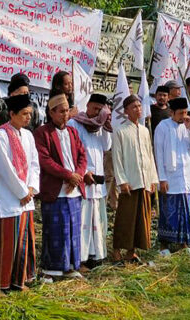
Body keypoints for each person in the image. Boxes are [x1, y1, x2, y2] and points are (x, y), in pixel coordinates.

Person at [0, 94, 40, 296]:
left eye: (30, 114)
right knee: (4, 244)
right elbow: (4, 168)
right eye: (24, 114)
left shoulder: (28, 136)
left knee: (23, 242)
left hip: (26, 199)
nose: (28, 118)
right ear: (12, 114)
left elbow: (34, 164)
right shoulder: (1, 136)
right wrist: (21, 191)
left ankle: (18, 282)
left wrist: (31, 188)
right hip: (8, 199)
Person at [35, 94, 87, 280]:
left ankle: (71, 266)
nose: (66, 115)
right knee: (56, 230)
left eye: (67, 111)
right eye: (62, 111)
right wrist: (68, 175)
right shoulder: (42, 133)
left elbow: (82, 155)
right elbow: (45, 161)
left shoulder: (73, 132)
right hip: (56, 191)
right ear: (51, 113)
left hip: (73, 190)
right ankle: (52, 269)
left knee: (73, 230)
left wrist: (78, 176)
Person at [67, 94, 113, 270]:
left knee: (97, 220)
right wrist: (84, 173)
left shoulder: (99, 126)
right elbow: (73, 153)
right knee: (83, 223)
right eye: (94, 108)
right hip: (83, 181)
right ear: (87, 105)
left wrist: (106, 125)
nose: (96, 112)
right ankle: (81, 259)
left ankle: (95, 257)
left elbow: (106, 146)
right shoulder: (75, 124)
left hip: (98, 182)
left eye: (100, 110)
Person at [111, 95, 159, 263]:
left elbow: (149, 155)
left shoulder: (145, 131)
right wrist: (122, 180)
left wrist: (152, 178)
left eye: (139, 106)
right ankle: (117, 250)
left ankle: (131, 252)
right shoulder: (120, 131)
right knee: (125, 218)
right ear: (126, 111)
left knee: (140, 219)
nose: (138, 109)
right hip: (129, 182)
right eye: (134, 107)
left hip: (144, 179)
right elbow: (116, 158)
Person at [154, 97, 190, 249]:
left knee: (186, 213)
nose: (183, 116)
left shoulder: (187, 127)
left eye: (185, 112)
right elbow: (159, 154)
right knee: (169, 213)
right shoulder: (163, 127)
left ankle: (184, 244)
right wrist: (162, 178)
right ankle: (164, 246)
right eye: (180, 113)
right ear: (171, 112)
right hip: (170, 178)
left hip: (186, 177)